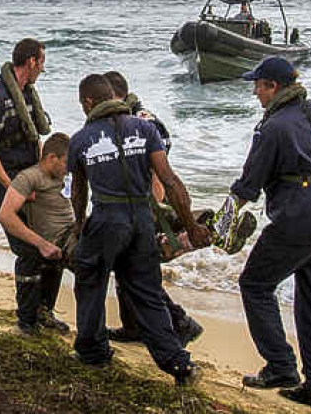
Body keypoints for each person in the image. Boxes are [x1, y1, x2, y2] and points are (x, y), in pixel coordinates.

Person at [232, 56, 311, 411]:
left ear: (273, 86)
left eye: (258, 85)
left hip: (296, 217)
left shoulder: (272, 127)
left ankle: (280, 366)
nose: (256, 92)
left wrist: (220, 226)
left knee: (255, 285)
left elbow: (248, 186)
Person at [69, 74, 210, 385]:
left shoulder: (81, 139)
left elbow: (79, 193)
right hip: (141, 218)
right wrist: (190, 225)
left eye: (82, 104)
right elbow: (170, 181)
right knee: (147, 292)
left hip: (107, 217)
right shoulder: (145, 129)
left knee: (90, 281)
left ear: (90, 103)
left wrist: (79, 228)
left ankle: (92, 351)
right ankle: (178, 363)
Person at [102, 71, 202, 347]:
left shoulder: (142, 123)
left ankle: (181, 323)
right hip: (133, 204)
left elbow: (157, 174)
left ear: (114, 96)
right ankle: (133, 326)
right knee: (128, 267)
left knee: (139, 268)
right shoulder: (124, 120)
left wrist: (152, 215)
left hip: (147, 206)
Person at [0, 38, 51, 327]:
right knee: (29, 251)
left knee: (49, 247)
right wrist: (12, 188)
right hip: (8, 186)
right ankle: (27, 321)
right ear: (31, 62)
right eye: (42, 61)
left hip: (30, 181)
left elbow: (34, 137)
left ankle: (43, 312)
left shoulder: (27, 94)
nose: (43, 67)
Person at [0, 132, 75, 335]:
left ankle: (44, 314)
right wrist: (42, 244)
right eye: (67, 162)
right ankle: (27, 322)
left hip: (73, 232)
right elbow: (5, 215)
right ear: (51, 158)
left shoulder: (64, 175)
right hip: (56, 238)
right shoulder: (29, 177)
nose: (69, 168)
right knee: (92, 263)